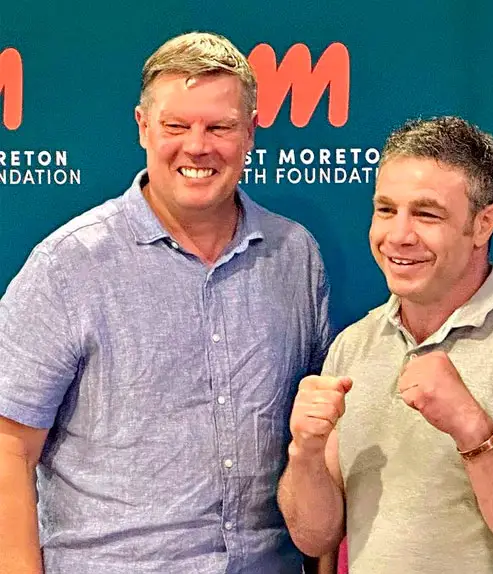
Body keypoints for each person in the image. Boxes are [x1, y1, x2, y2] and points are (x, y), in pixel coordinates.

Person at [0, 32, 331, 574]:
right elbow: (7, 451)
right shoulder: (68, 265)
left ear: (250, 131)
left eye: (219, 127)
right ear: (143, 127)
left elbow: (318, 447)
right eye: (176, 126)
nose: (196, 146)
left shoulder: (295, 257)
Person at [278, 116, 493, 573]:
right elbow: (316, 535)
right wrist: (305, 452)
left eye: (426, 214)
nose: (399, 235)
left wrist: (472, 427)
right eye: (386, 210)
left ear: (484, 224)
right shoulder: (353, 346)